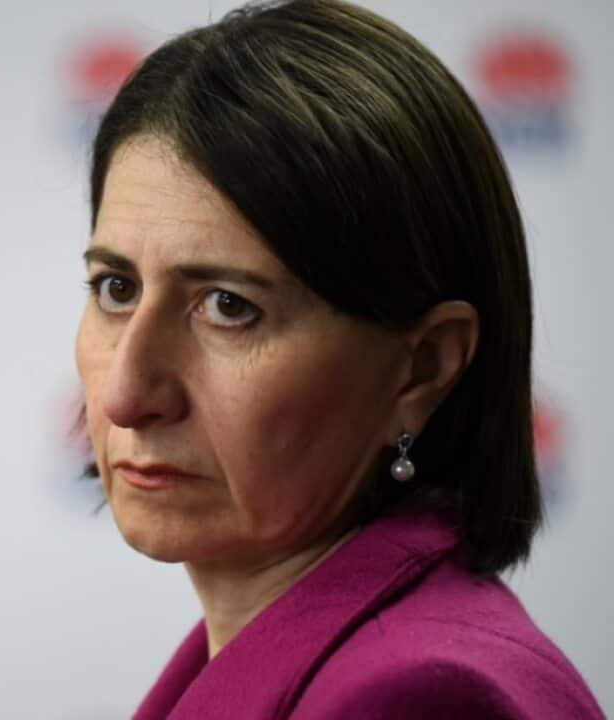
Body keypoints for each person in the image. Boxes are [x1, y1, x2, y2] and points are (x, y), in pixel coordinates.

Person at [72, 1, 605, 718]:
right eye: (116, 288)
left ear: (420, 368)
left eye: (230, 306)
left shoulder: (417, 698)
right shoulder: (287, 658)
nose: (126, 395)